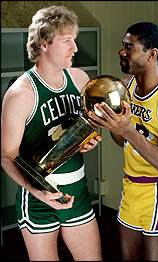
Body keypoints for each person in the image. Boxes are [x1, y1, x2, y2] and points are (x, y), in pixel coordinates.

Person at [1, 5, 102, 261]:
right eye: (67, 41)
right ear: (44, 44)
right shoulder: (21, 94)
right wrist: (37, 192)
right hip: (38, 198)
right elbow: (6, 155)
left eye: (75, 40)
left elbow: (86, 127)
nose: (75, 48)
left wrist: (88, 140)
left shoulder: (80, 79)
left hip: (77, 190)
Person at [87, 22, 158, 261]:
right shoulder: (127, 87)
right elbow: (123, 141)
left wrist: (128, 130)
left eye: (129, 47)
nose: (121, 52)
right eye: (122, 46)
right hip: (132, 186)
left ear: (151, 54)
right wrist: (112, 125)